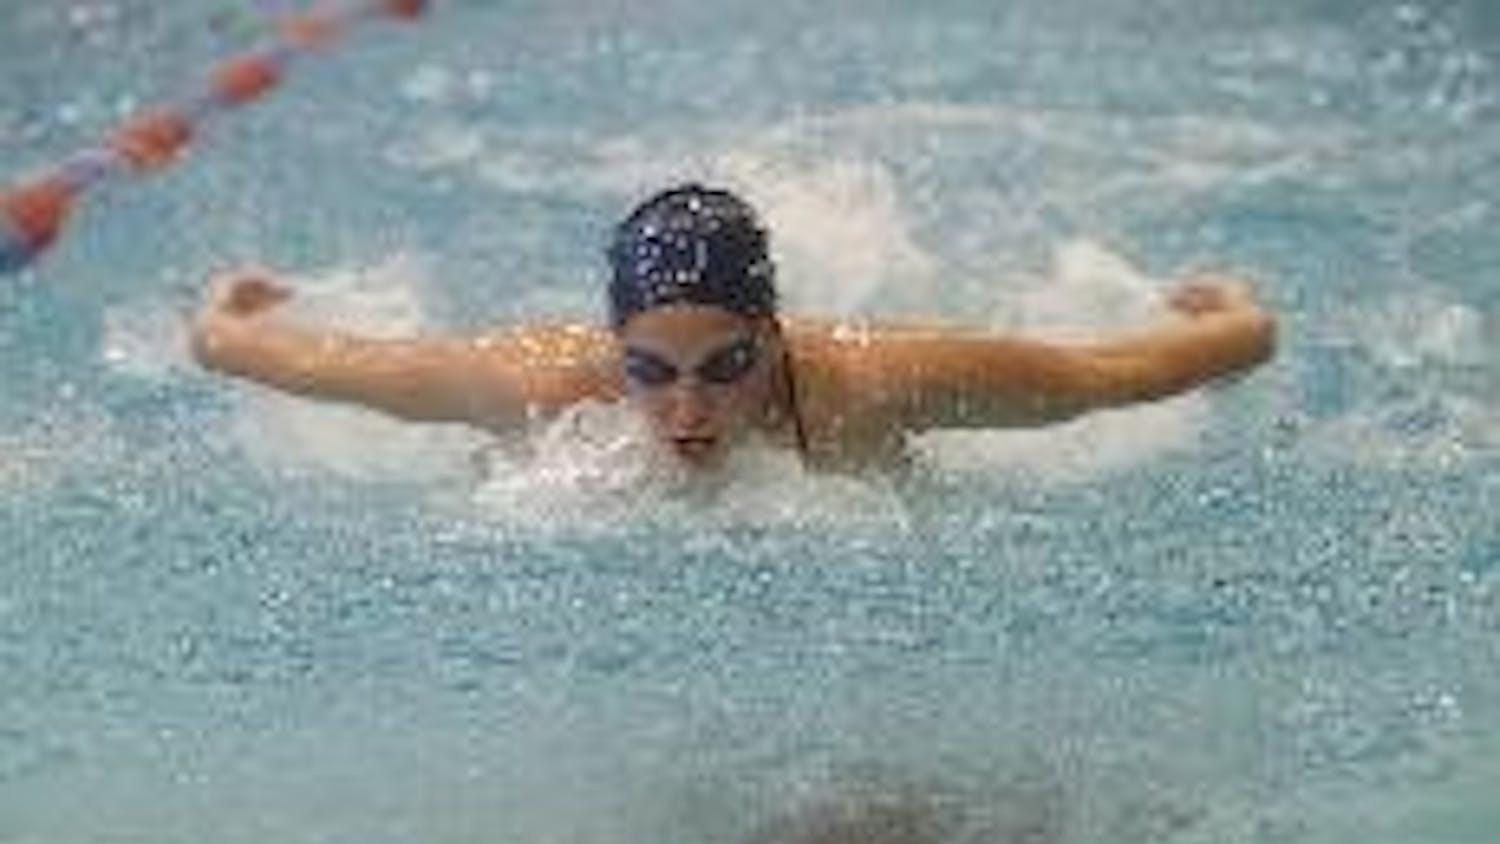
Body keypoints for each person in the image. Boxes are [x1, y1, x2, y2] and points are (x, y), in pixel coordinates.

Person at [191, 183, 1275, 472]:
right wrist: (232, 323)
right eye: (650, 371)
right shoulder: (541, 383)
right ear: (612, 348)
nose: (687, 407)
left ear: (776, 336)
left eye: (728, 365)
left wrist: (1238, 320)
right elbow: (315, 364)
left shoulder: (874, 383)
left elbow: (1111, 374)